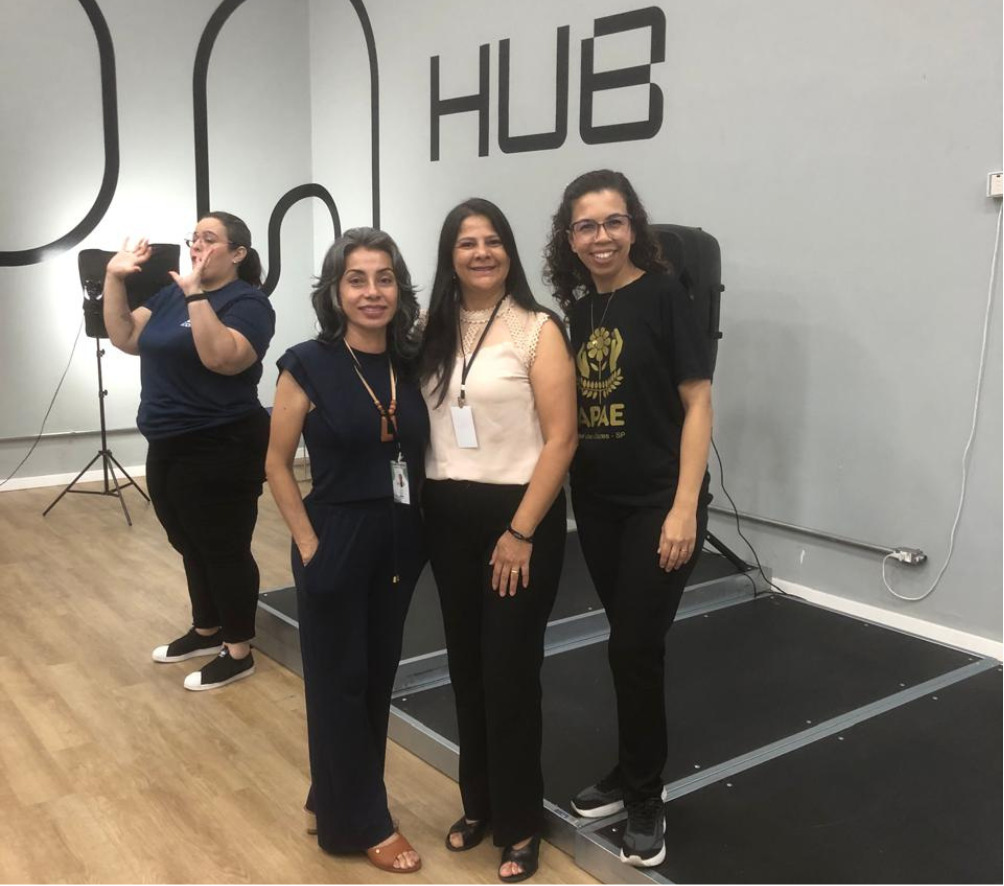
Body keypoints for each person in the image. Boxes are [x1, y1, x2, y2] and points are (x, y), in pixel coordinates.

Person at [543, 170, 714, 868]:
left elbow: (698, 403)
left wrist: (683, 507)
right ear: (570, 238)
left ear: (633, 226)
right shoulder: (579, 313)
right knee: (632, 644)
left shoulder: (665, 296)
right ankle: (630, 767)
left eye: (613, 222)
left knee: (633, 646)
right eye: (586, 226)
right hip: (600, 506)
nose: (601, 236)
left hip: (658, 504)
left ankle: (645, 796)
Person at [419, 198, 577, 883]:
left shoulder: (537, 329)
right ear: (450, 256)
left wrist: (520, 531)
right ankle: (478, 804)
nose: (480, 253)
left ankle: (520, 822)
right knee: (467, 669)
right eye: (466, 243)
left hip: (518, 518)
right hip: (446, 515)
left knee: (509, 674)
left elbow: (562, 439)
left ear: (509, 251)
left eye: (492, 241)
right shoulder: (429, 330)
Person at [265, 228, 426, 874]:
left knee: (376, 677)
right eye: (356, 280)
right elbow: (276, 464)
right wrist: (309, 544)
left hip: (400, 539)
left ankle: (331, 796)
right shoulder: (306, 363)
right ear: (334, 291)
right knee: (340, 682)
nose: (372, 292)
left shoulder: (409, 363)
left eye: (384, 279)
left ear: (399, 289)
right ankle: (361, 823)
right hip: (335, 535)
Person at [103, 212, 275, 691]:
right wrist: (115, 279)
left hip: (223, 442)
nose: (197, 245)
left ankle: (238, 651)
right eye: (194, 237)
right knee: (188, 541)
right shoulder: (168, 295)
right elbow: (125, 337)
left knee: (223, 547)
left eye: (209, 238)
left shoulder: (249, 303)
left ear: (237, 253)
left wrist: (197, 294)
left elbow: (222, 358)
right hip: (167, 440)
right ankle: (206, 629)